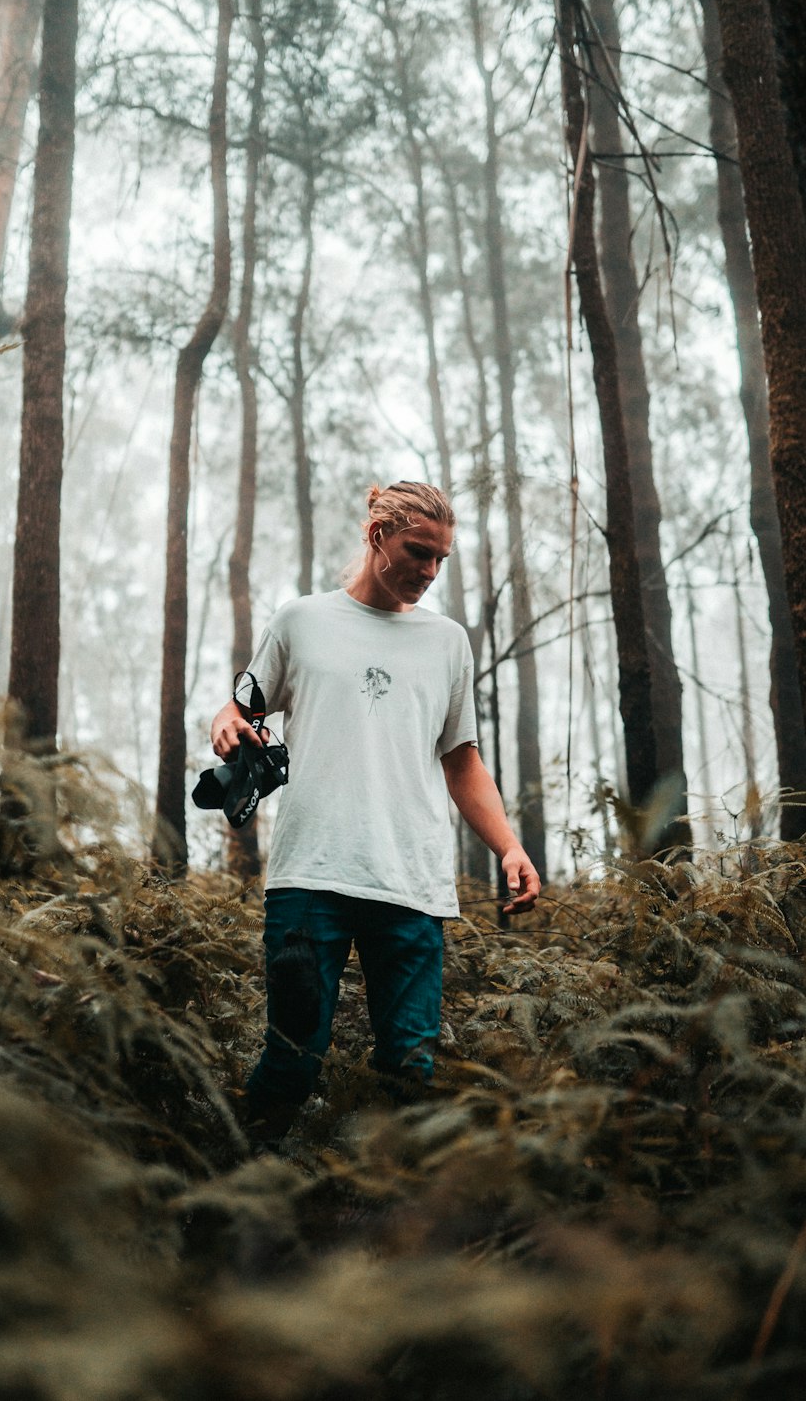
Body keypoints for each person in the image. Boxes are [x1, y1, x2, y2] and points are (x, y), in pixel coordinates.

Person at [209, 481, 541, 1142]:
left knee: (411, 1070)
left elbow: (462, 761)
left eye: (441, 559)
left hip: (410, 881)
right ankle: (245, 1201)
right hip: (310, 878)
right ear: (376, 536)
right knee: (293, 1057)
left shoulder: (446, 642)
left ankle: (399, 1221)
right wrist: (228, 725)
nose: (429, 571)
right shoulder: (300, 621)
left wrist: (510, 846)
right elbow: (242, 704)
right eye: (418, 551)